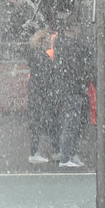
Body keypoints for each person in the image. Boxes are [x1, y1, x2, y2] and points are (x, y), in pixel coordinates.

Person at [53, 16, 91, 168]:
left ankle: (71, 154)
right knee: (71, 124)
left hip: (76, 88)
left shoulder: (69, 44)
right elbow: (73, 69)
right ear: (73, 27)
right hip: (72, 89)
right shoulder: (69, 46)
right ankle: (65, 157)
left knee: (77, 123)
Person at [25, 23, 59, 164]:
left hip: (39, 96)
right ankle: (49, 151)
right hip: (42, 96)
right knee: (47, 123)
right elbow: (45, 78)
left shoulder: (37, 55)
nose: (49, 42)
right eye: (47, 39)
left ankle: (50, 150)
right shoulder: (41, 57)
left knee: (41, 124)